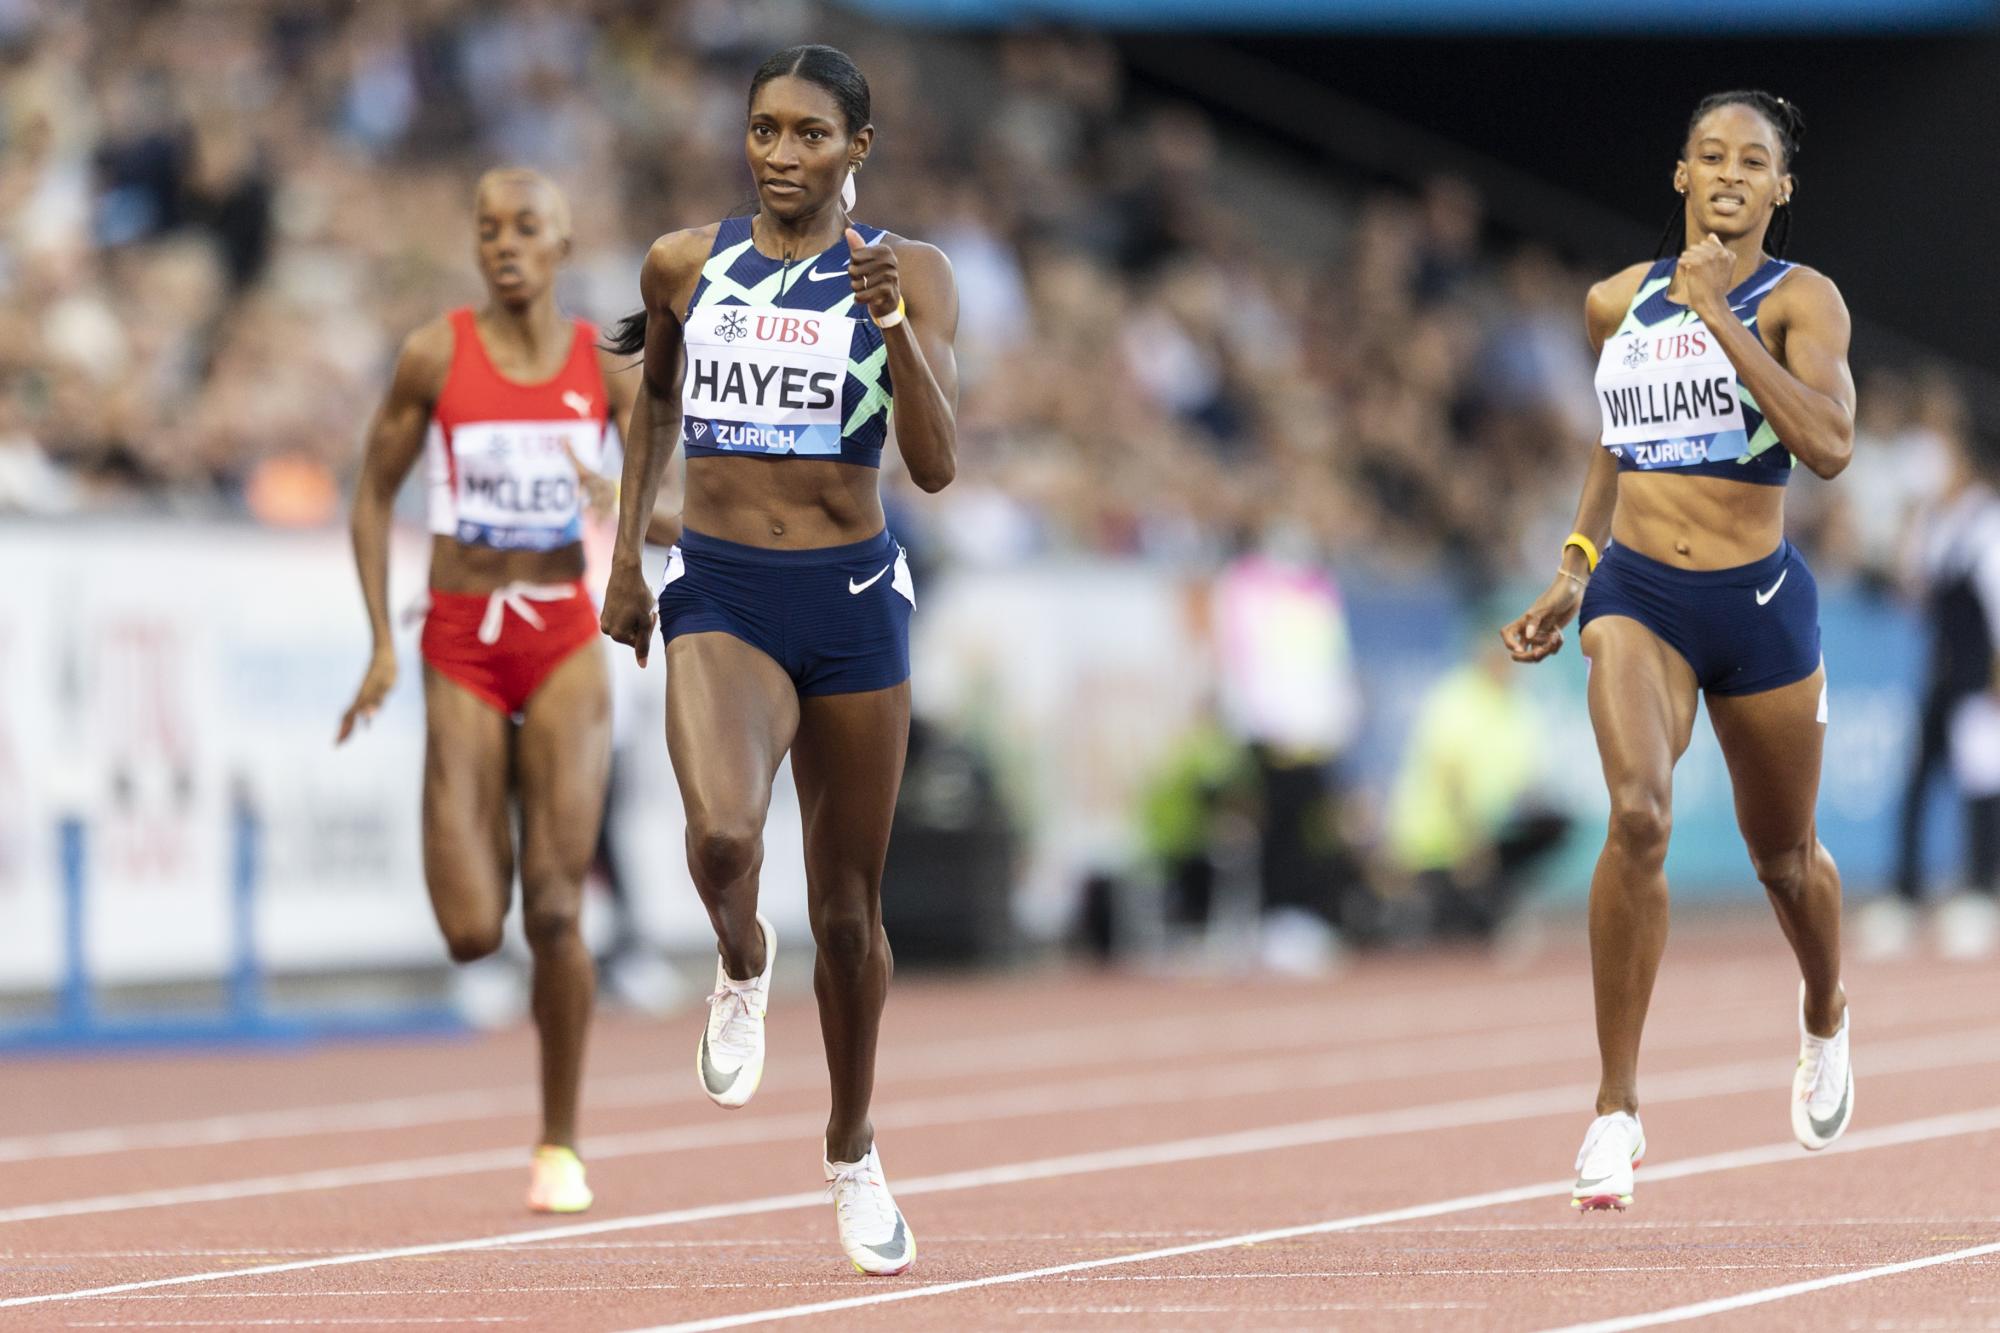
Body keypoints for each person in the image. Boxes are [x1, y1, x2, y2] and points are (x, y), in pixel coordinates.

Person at [598, 45, 958, 1276]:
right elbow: (650, 399)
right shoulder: (683, 265)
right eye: (763, 131)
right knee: (720, 840)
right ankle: (740, 953)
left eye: (809, 134)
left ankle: (852, 1149)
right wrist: (622, 560)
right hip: (723, 590)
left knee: (851, 919)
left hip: (852, 598)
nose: (780, 155)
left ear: (858, 147)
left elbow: (937, 462)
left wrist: (893, 326)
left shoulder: (911, 272)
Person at [1501, 91, 1858, 1211]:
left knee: (1783, 861)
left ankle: (1823, 1012)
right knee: (1638, 815)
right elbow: (1613, 443)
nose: (1727, 174)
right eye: (1708, 156)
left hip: (1755, 603)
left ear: (1778, 189)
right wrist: (1572, 564)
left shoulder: (1802, 301)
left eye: (1751, 161)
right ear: (1679, 175)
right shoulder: (1613, 300)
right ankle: (1614, 1110)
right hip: (1637, 593)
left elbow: (1830, 445)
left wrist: (1721, 321)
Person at [338, 168, 639, 1215]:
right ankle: (499, 818)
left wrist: (632, 517)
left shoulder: (605, 363)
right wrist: (383, 638)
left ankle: (559, 1142)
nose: (503, 244)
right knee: (474, 928)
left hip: (560, 634)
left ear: (561, 242)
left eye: (525, 229)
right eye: (487, 230)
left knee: (556, 908)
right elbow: (373, 490)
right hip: (461, 641)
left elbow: (682, 475)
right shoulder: (436, 353)